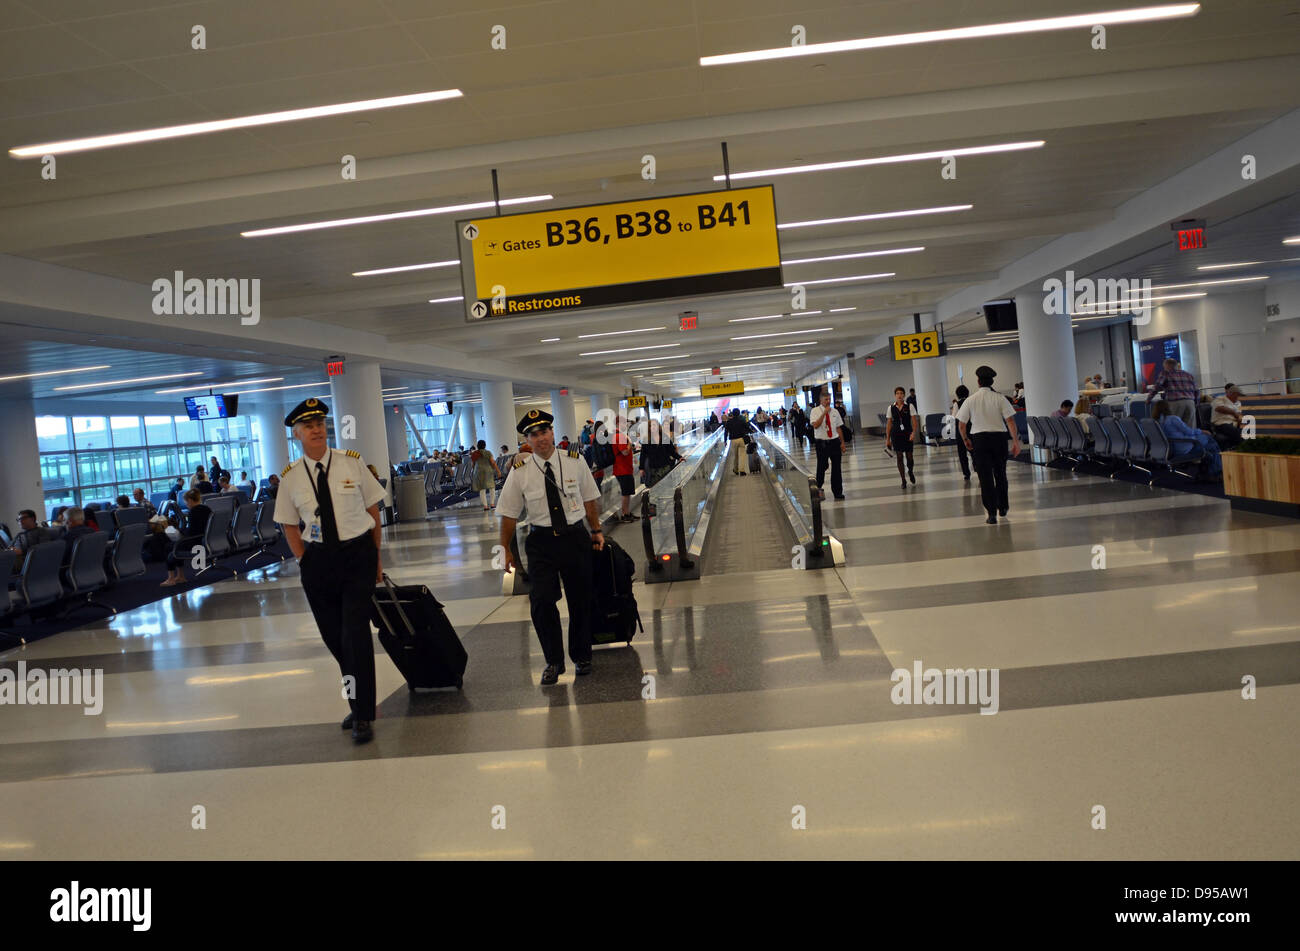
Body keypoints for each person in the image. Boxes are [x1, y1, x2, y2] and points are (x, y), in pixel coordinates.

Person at [274, 397, 386, 744]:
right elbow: (289, 524)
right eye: (308, 426)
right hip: (319, 562)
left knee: (354, 634)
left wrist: (377, 560)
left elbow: (373, 511)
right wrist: (303, 560)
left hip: (357, 557)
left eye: (320, 424)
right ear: (297, 434)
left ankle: (364, 714)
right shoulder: (291, 477)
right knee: (334, 638)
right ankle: (358, 700)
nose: (317, 430)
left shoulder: (352, 463)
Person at [496, 409, 604, 686]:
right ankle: (553, 661)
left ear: (552, 433)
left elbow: (590, 499)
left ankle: (582, 656)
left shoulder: (575, 461)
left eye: (544, 432)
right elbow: (508, 513)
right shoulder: (520, 472)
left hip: (574, 537)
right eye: (534, 434)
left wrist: (597, 531)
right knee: (542, 602)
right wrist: (504, 548)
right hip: (541, 542)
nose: (541, 438)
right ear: (527, 440)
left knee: (581, 599)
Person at [956, 365, 1021, 525]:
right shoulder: (1000, 398)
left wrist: (966, 440)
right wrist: (1015, 442)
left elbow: (961, 425)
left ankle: (991, 513)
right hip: (999, 439)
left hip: (980, 440)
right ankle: (1003, 507)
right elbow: (1010, 421)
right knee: (1000, 474)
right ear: (991, 381)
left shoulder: (970, 400)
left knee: (985, 477)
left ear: (978, 382)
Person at [1153, 399, 1222, 479]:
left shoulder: (1156, 422)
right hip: (1185, 447)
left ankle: (1211, 471)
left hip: (1170, 448)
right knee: (1212, 444)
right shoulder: (1173, 419)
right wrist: (1202, 431)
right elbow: (1189, 432)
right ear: (1168, 408)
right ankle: (1215, 473)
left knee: (1210, 447)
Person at [161, 489, 212, 586]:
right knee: (177, 545)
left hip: (195, 542)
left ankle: (171, 578)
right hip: (204, 539)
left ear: (190, 500)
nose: (186, 504)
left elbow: (192, 532)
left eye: (186, 502)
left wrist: (178, 532)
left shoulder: (193, 512)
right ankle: (180, 576)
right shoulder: (207, 509)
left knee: (169, 547)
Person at [810, 390, 847, 500]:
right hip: (821, 443)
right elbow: (816, 425)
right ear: (820, 400)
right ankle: (818, 490)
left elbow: (838, 428)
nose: (828, 401)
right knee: (821, 467)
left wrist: (842, 443)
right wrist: (824, 413)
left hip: (834, 442)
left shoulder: (835, 411)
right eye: (826, 399)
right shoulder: (815, 411)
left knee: (836, 468)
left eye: (829, 399)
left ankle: (837, 492)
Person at [885, 386, 919, 489]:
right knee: (899, 457)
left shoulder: (909, 406)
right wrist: (888, 439)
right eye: (897, 393)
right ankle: (903, 479)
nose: (899, 395)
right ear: (895, 395)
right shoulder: (890, 408)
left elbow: (914, 421)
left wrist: (913, 433)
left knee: (909, 457)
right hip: (896, 435)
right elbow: (889, 424)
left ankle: (910, 471)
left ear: (904, 395)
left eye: (901, 393)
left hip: (907, 434)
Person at [1146, 358, 1197, 426]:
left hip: (1175, 403)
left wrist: (1149, 399)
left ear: (1167, 366)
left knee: (1175, 426)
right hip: (1190, 402)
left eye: (1164, 367)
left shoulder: (1165, 373)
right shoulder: (1188, 374)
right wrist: (1195, 403)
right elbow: (1196, 390)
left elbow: (1157, 386)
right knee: (1190, 428)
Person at [611, 415, 637, 521]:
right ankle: (624, 514)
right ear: (618, 424)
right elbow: (625, 452)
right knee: (625, 493)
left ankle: (627, 512)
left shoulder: (620, 435)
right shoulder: (620, 436)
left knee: (627, 493)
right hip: (622, 469)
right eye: (624, 423)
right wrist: (630, 443)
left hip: (624, 469)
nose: (626, 424)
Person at [1210, 384, 1245, 449]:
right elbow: (1219, 408)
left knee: (1245, 432)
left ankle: (1238, 449)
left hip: (1234, 424)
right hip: (1221, 424)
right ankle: (1244, 450)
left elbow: (1239, 415)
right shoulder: (1220, 399)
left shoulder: (1238, 403)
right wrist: (1234, 413)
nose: (1239, 397)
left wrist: (1240, 422)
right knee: (1237, 433)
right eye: (1238, 395)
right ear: (1232, 394)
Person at [471, 439, 502, 509]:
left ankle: (485, 506)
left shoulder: (474, 453)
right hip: (488, 471)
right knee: (492, 487)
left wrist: (474, 471)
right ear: (485, 445)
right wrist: (498, 471)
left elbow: (472, 464)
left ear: (477, 446)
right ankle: (492, 504)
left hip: (478, 471)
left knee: (482, 489)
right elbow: (493, 462)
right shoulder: (488, 453)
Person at [950, 386, 972, 481]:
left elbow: (954, 417)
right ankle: (977, 467)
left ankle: (966, 473)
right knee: (973, 451)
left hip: (960, 430)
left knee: (962, 453)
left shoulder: (956, 404)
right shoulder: (970, 401)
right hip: (971, 428)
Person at [724, 407, 751, 476]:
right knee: (742, 455)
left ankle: (735, 469)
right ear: (739, 414)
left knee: (735, 455)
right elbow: (747, 427)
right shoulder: (741, 420)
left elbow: (726, 431)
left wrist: (725, 440)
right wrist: (751, 431)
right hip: (741, 439)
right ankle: (742, 470)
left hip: (733, 440)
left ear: (732, 414)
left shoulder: (729, 422)